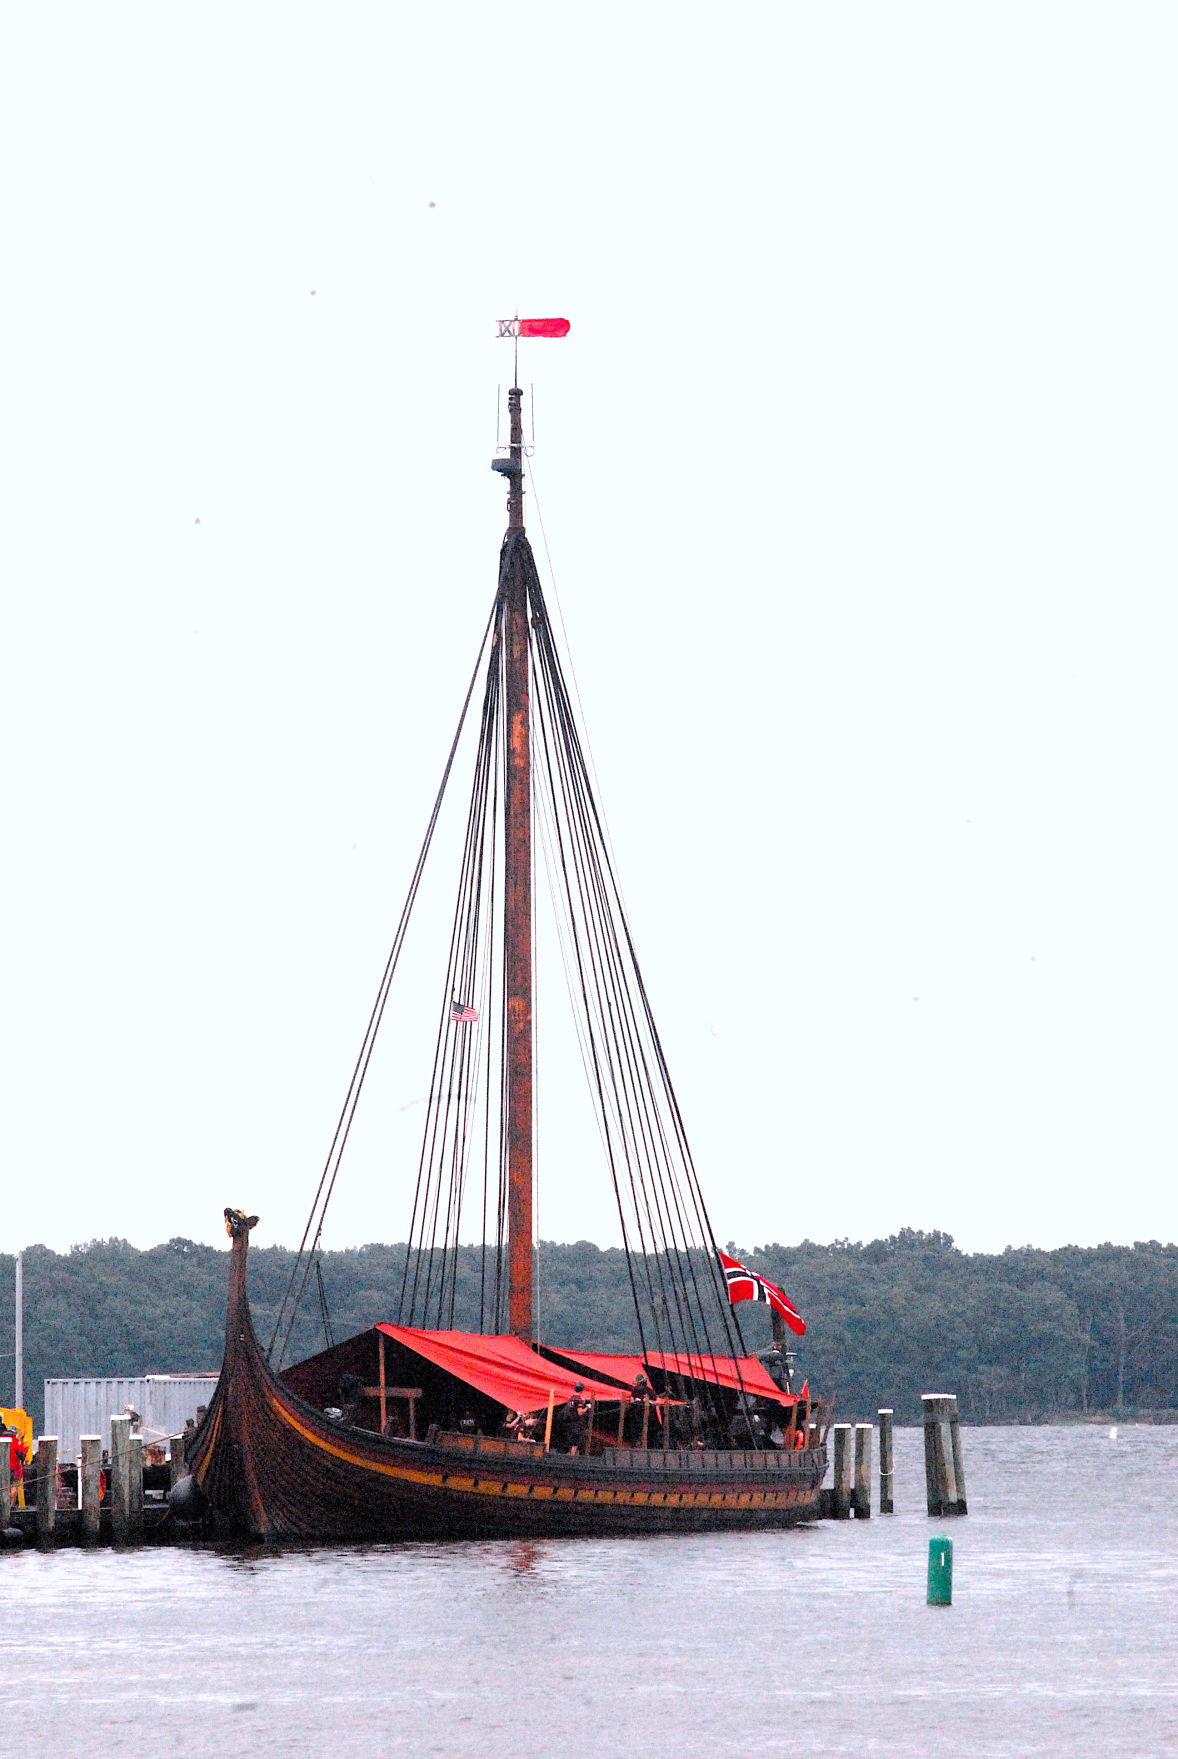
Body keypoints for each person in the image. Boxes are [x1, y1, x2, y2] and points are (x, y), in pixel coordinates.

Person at [555, 1384, 590, 1454]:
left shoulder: (571, 1398)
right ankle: (572, 1457)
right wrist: (587, 1407)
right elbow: (579, 1412)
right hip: (576, 1423)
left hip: (569, 1422)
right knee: (575, 1442)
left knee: (569, 1441)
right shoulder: (579, 1399)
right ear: (582, 1390)